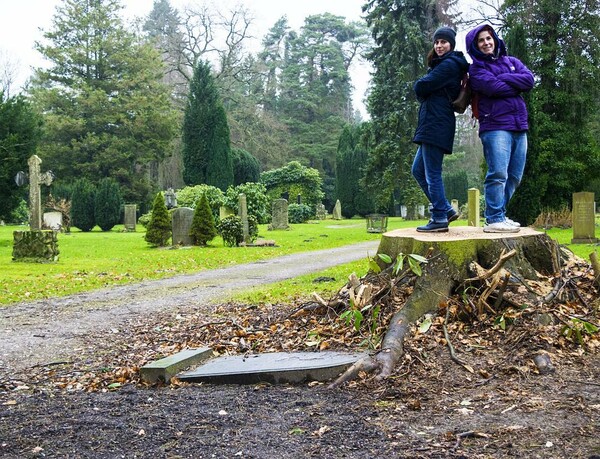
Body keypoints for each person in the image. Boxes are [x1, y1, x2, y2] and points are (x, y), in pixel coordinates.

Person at [466, 24, 534, 233]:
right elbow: (493, 88)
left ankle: (500, 215)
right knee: (498, 173)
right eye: (481, 40)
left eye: (489, 38)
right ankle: (494, 218)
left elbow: (529, 80)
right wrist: (515, 84)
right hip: (495, 126)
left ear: (494, 39)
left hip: (518, 125)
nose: (486, 43)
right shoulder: (476, 69)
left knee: (515, 175)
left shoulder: (512, 61)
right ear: (475, 46)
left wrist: (504, 79)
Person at [412, 27, 469, 232]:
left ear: (451, 44)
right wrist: (424, 89)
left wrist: (422, 87)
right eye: (436, 42)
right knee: (417, 170)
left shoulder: (450, 65)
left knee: (432, 173)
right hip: (432, 123)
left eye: (443, 42)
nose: (439, 46)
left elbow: (421, 86)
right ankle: (445, 209)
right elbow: (424, 89)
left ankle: (438, 218)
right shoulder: (442, 65)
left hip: (436, 123)